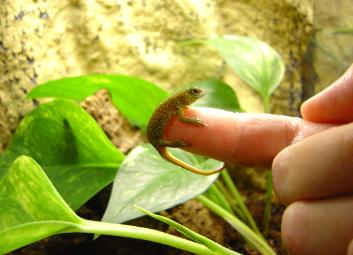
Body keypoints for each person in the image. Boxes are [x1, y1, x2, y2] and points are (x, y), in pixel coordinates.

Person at [165, 64, 353, 255]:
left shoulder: (180, 105)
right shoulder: (178, 106)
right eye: (194, 92)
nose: (200, 94)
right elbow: (182, 118)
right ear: (185, 96)